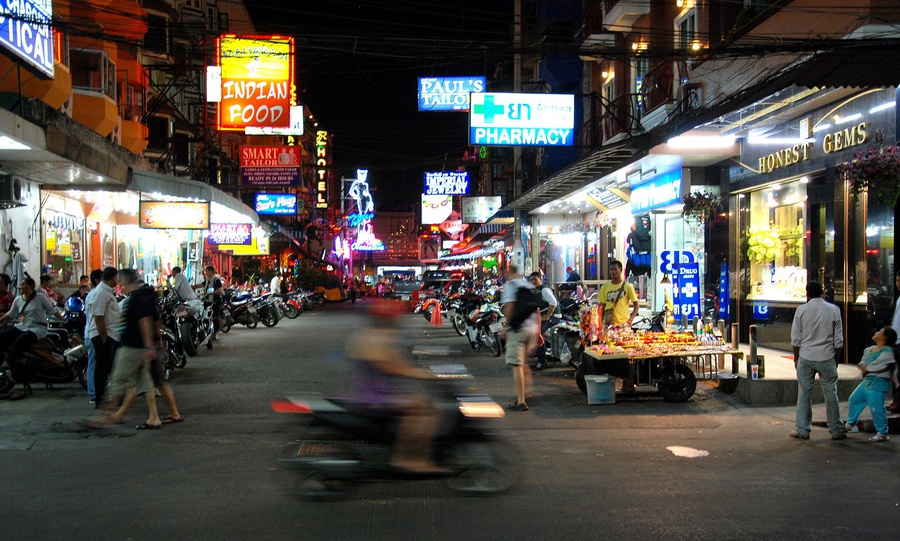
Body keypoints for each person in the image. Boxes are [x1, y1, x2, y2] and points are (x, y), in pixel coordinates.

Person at [347, 299, 444, 473]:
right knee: (422, 407)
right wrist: (418, 373)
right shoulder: (374, 337)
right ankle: (407, 458)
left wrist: (418, 371)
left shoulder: (370, 334)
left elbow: (397, 361)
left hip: (377, 394)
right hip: (374, 398)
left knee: (425, 403)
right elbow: (389, 366)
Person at [92, 269, 163, 430]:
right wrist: (151, 344)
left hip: (132, 347)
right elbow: (154, 320)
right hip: (140, 347)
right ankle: (154, 417)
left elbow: (145, 321)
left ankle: (103, 416)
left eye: (120, 280)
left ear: (125, 280)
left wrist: (148, 344)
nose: (118, 283)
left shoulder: (136, 298)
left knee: (118, 380)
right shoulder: (143, 296)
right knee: (145, 383)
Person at [789, 281, 846, 440]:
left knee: (804, 393)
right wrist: (836, 360)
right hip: (827, 356)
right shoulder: (834, 310)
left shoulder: (801, 310)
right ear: (822, 292)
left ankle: (802, 429)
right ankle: (836, 429)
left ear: (807, 294)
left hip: (806, 356)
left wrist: (796, 358)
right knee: (831, 393)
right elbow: (839, 341)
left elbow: (795, 340)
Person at [0, 277, 59, 399]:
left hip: (38, 328)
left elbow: (51, 310)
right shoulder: (18, 299)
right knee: (3, 335)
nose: (21, 287)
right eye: (20, 286)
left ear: (31, 286)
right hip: (22, 325)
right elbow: (11, 314)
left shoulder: (40, 298)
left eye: (24, 285)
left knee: (20, 340)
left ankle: (9, 362)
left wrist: (63, 319)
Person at [845, 326, 897, 442]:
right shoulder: (869, 349)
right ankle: (851, 423)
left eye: (880, 332)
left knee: (876, 407)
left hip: (878, 383)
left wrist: (866, 368)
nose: (876, 332)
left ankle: (882, 432)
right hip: (867, 381)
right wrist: (863, 367)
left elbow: (877, 365)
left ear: (885, 337)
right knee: (854, 399)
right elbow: (863, 362)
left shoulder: (887, 352)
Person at [501, 264, 538, 411]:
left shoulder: (510, 285)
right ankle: (527, 391)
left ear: (509, 272)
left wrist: (506, 326)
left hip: (519, 329)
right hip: (532, 329)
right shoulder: (528, 285)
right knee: (523, 362)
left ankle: (521, 401)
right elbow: (536, 310)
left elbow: (510, 306)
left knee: (516, 365)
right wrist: (538, 332)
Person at [85, 267, 121, 406]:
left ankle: (108, 396)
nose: (117, 281)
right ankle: (99, 398)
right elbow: (99, 318)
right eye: (116, 278)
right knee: (102, 369)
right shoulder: (101, 293)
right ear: (112, 278)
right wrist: (105, 338)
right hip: (103, 336)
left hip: (110, 335)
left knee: (108, 367)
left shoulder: (106, 292)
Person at [529, 272, 559, 371]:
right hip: (542, 316)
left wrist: (547, 316)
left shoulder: (544, 290)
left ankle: (542, 362)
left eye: (535, 279)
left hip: (555, 316)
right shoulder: (535, 290)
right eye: (531, 280)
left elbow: (553, 303)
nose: (533, 281)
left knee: (538, 333)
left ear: (540, 279)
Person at [597, 260, 639, 327]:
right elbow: (602, 306)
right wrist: (600, 323)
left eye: (615, 269)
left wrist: (630, 320)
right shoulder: (604, 287)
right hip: (608, 324)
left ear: (621, 270)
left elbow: (636, 306)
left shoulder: (628, 287)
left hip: (624, 324)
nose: (613, 272)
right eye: (611, 270)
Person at [888, 270, 900, 413]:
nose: (898, 284)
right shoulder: (897, 298)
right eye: (897, 281)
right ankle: (896, 400)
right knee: (896, 372)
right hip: (896, 340)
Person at [201, 265, 224, 341]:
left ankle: (216, 333)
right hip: (207, 301)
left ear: (210, 271)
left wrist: (212, 293)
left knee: (215, 317)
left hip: (215, 301)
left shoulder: (216, 280)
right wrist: (190, 287)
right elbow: (201, 285)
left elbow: (220, 290)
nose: (205, 272)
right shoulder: (207, 280)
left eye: (206, 271)